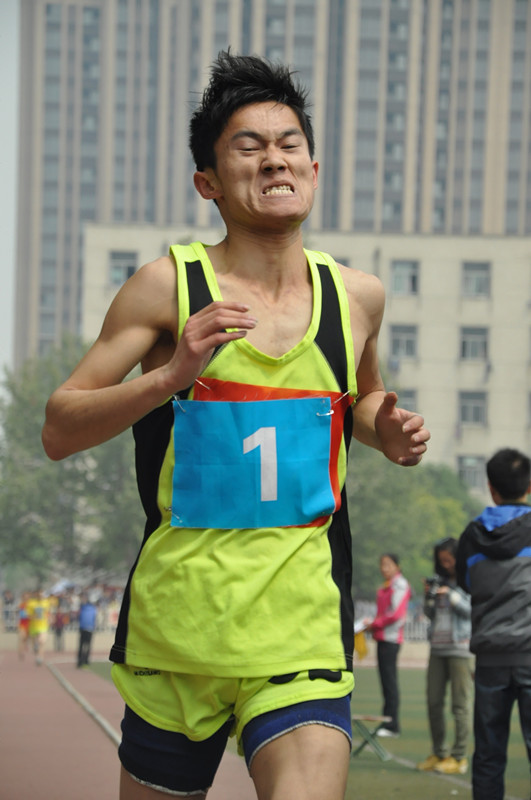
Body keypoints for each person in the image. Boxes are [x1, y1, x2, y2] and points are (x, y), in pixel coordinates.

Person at [42, 50, 429, 800]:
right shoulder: (165, 286)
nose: (274, 159)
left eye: (289, 144)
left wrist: (387, 429)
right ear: (208, 183)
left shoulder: (357, 297)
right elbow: (59, 428)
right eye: (249, 147)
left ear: (313, 169)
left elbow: (364, 399)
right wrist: (169, 378)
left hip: (301, 630)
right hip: (177, 633)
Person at [456, 448, 531, 800]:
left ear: (491, 487)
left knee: (488, 755)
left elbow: (467, 583)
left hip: (490, 659)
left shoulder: (472, 536)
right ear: (528, 486)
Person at [416, 537, 472, 775]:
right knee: (434, 702)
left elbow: (472, 611)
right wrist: (429, 595)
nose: (446, 564)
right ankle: (439, 752)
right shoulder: (439, 581)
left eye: (449, 560)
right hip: (438, 647)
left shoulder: (469, 580)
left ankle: (459, 757)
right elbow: (430, 613)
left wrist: (452, 595)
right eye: (442, 561)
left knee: (460, 705)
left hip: (460, 648)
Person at [365, 554, 410, 737]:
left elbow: (395, 613)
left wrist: (375, 624)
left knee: (390, 682)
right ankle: (386, 721)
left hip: (391, 638)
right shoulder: (387, 585)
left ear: (397, 566)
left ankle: (392, 725)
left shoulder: (400, 585)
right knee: (385, 683)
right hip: (382, 637)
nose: (384, 568)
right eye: (382, 565)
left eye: (388, 564)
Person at [26, 589, 51, 666]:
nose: (40, 595)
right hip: (33, 626)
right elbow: (28, 615)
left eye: (41, 593)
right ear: (36, 594)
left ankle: (40, 657)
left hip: (43, 625)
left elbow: (48, 613)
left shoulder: (46, 602)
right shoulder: (31, 603)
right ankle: (36, 651)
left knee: (41, 641)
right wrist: (33, 616)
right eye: (39, 594)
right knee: (35, 645)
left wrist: (50, 618)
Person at [77, 594, 98, 667]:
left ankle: (79, 661)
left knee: (81, 645)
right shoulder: (93, 609)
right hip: (90, 629)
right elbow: (94, 619)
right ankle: (86, 660)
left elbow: (79, 618)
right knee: (88, 645)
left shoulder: (82, 608)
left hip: (83, 628)